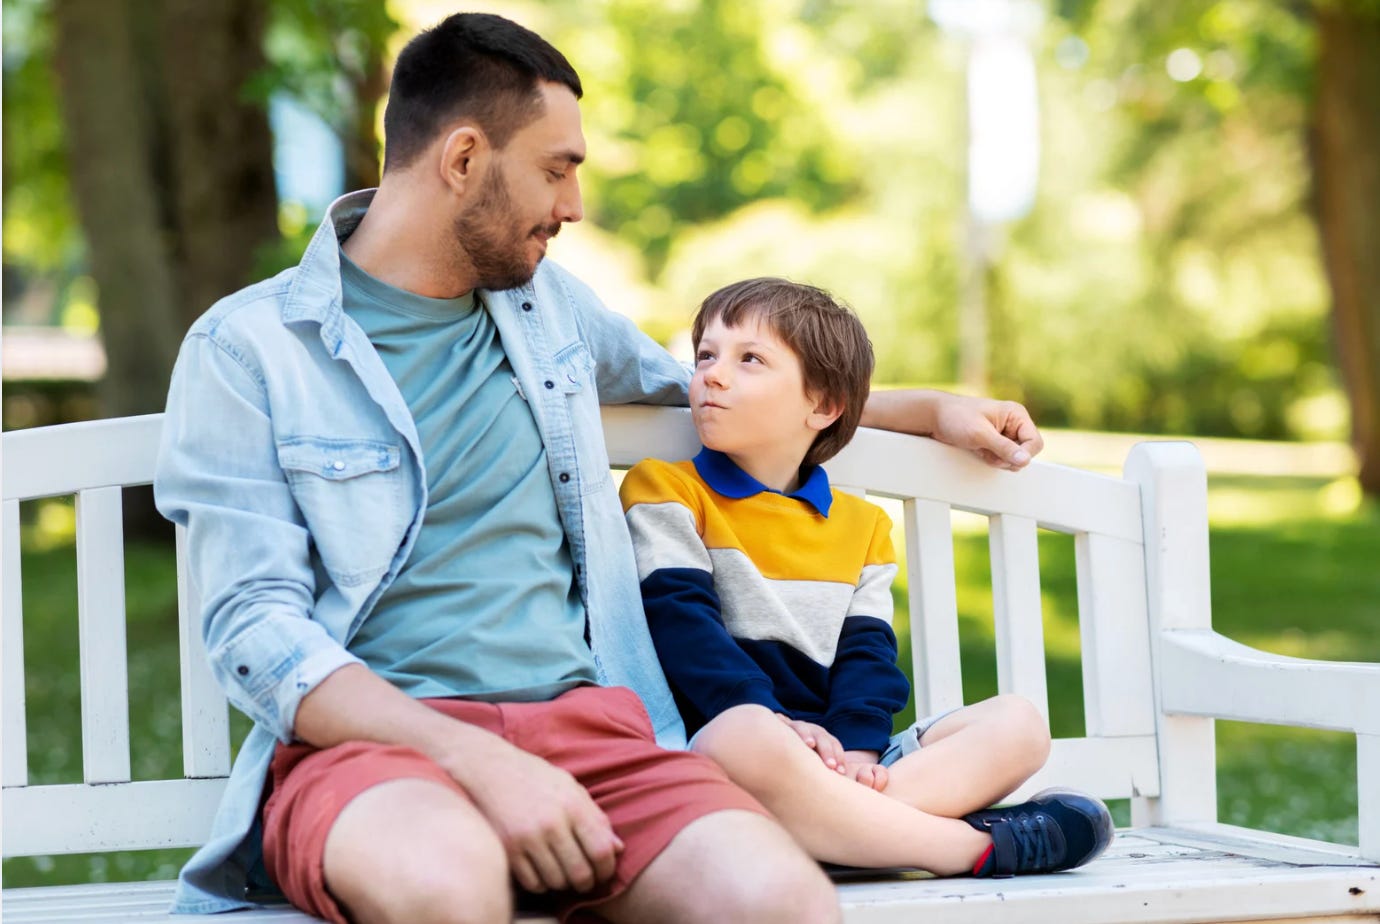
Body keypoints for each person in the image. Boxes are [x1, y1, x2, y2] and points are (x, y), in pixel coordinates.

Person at [154, 12, 1046, 924]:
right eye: (556, 168)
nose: (573, 206)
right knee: (446, 888)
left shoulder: (547, 310)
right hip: (378, 755)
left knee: (783, 902)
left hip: (594, 737)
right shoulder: (251, 349)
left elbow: (686, 391)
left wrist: (926, 410)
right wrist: (477, 758)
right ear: (462, 160)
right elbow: (254, 632)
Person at [620, 277, 1113, 879]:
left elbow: (868, 656)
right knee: (742, 733)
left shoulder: (863, 526)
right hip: (734, 750)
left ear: (823, 406)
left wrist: (855, 749)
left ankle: (834, 831)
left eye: (750, 359)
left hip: (848, 761)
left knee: (1020, 726)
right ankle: (966, 846)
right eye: (706, 355)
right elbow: (682, 625)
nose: (713, 375)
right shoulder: (665, 489)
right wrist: (778, 724)